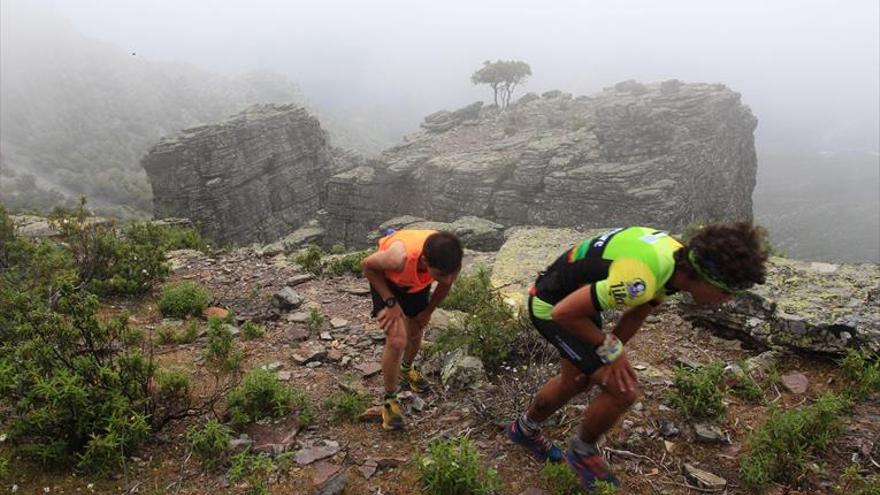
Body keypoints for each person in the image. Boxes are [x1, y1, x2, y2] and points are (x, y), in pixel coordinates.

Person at [508, 223, 768, 490]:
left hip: (574, 295)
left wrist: (609, 355)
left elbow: (637, 313)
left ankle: (524, 430)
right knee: (623, 392)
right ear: (704, 278)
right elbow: (562, 314)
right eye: (726, 292)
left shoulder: (677, 264)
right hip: (551, 305)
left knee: (577, 380)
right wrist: (611, 351)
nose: (727, 300)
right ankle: (582, 451)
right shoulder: (640, 281)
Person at [361, 229, 463, 430]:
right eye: (442, 274)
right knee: (397, 340)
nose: (448, 279)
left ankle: (406, 370)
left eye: (452, 274)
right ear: (425, 261)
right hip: (387, 282)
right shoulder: (398, 258)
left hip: (416, 285)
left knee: (415, 331)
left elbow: (445, 284)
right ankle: (390, 401)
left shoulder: (449, 259)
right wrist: (390, 302)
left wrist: (427, 312)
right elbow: (367, 267)